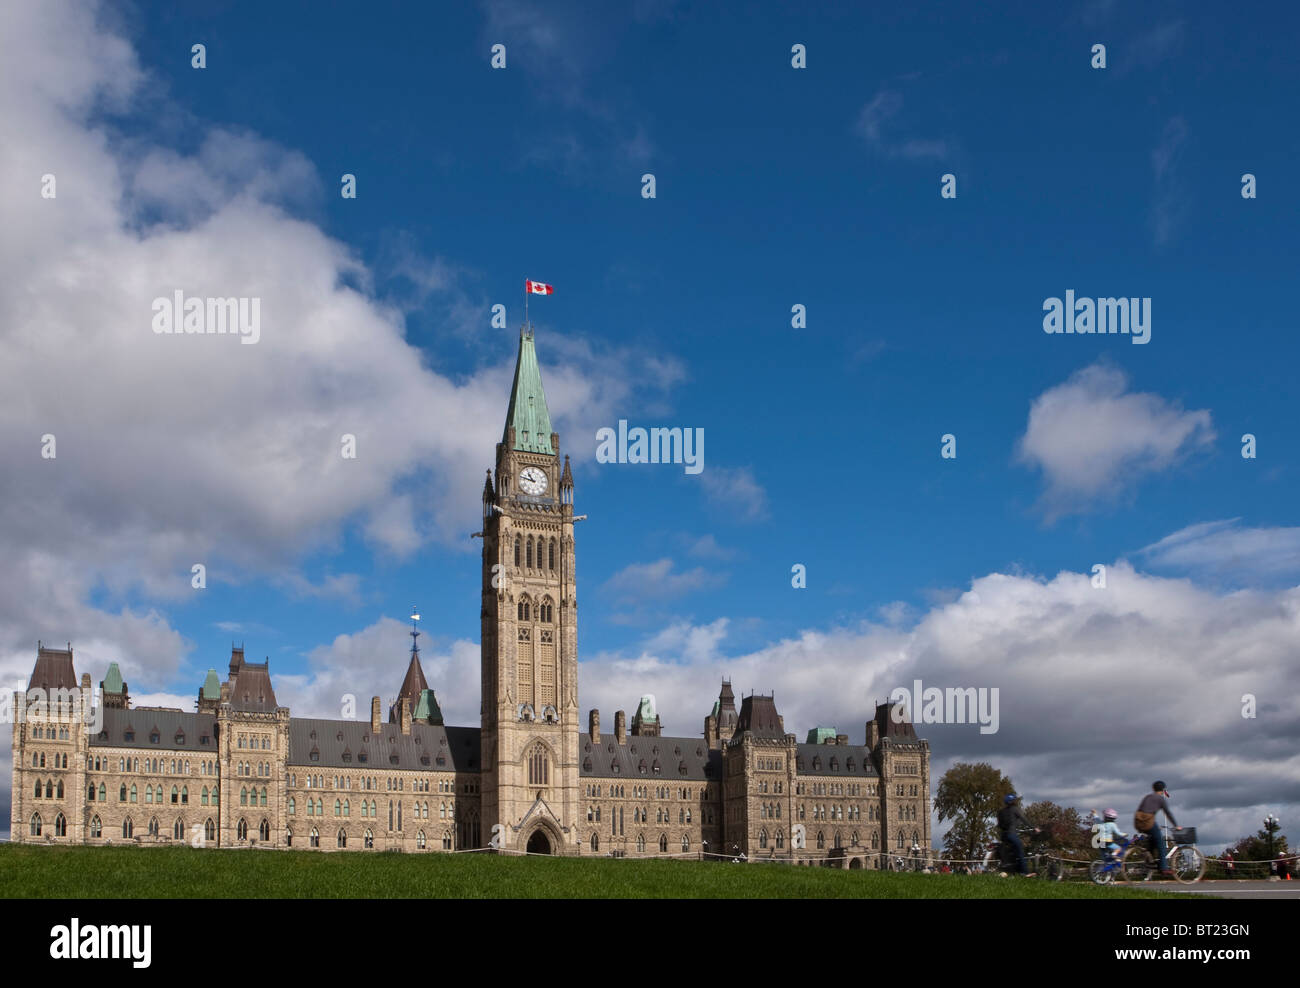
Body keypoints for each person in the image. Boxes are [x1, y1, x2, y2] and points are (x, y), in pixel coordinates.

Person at [1134, 780, 1180, 877]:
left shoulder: (1147, 797)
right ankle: (1163, 868)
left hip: (1138, 822)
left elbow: (1141, 809)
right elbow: (1168, 813)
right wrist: (1176, 825)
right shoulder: (1160, 799)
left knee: (1153, 839)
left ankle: (1149, 860)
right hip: (1148, 821)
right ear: (1163, 790)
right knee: (1161, 844)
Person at [996, 793, 1040, 876]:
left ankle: (1012, 870)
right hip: (1011, 834)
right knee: (1020, 851)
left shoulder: (1001, 812)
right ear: (1013, 801)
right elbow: (1024, 819)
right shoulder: (1015, 809)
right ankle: (1025, 873)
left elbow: (999, 825)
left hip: (1003, 836)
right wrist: (1034, 828)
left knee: (1012, 852)